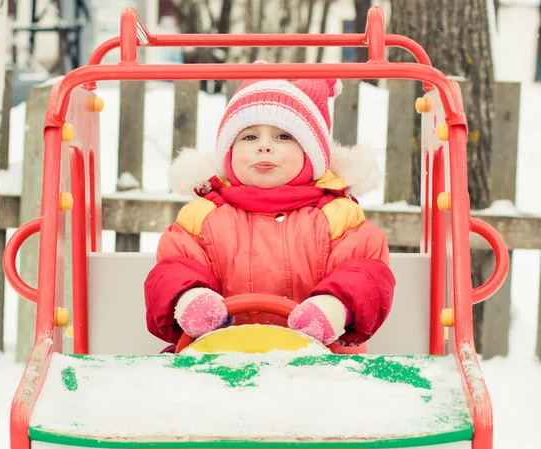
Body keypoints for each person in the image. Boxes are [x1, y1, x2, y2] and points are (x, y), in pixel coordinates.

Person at [144, 75, 396, 353]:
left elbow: (365, 274)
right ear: (228, 154)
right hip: (216, 358)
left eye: (283, 136)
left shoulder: (338, 217)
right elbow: (174, 269)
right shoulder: (201, 218)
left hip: (323, 361)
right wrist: (191, 297)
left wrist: (334, 307)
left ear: (311, 154)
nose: (264, 146)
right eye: (249, 136)